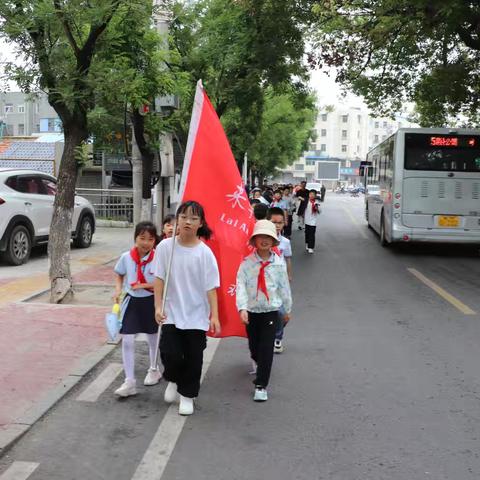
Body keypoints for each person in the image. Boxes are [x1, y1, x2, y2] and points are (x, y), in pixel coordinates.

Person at [153, 201, 221, 416]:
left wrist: (215, 316)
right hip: (171, 312)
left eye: (193, 218)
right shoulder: (165, 247)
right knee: (170, 353)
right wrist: (157, 306)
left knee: (193, 358)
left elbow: (211, 288)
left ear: (201, 223)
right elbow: (159, 279)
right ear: (177, 220)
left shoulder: (205, 253)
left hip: (196, 315)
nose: (187, 222)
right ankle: (172, 379)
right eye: (184, 217)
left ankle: (187, 395)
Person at [236, 220, 292, 402]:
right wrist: (242, 308)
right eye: (261, 237)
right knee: (255, 347)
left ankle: (261, 385)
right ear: (255, 240)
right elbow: (240, 287)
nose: (265, 240)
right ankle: (259, 362)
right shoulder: (246, 263)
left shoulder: (278, 263)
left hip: (271, 311)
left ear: (274, 241)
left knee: (267, 348)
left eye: (269, 237)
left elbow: (284, 287)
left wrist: (287, 309)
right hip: (252, 312)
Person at [113, 221, 162, 397]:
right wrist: (118, 289)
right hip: (132, 302)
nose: (145, 243)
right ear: (135, 238)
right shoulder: (126, 257)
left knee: (153, 340)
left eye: (150, 239)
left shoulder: (159, 258)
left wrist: (143, 284)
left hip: (151, 302)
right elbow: (119, 273)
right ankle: (129, 381)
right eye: (142, 238)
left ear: (155, 241)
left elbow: (161, 282)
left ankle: (154, 369)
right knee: (126, 339)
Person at [267, 207, 293, 354]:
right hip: (266, 282)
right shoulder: (262, 240)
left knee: (284, 313)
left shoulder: (285, 242)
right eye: (273, 222)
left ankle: (278, 335)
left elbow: (288, 259)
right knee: (271, 312)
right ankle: (271, 336)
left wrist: (289, 275)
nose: (277, 225)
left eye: (280, 223)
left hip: (281, 283)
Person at [304, 189, 322, 254]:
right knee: (307, 233)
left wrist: (317, 208)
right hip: (306, 220)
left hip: (313, 221)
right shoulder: (306, 201)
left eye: (313, 194)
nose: (311, 195)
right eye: (310, 194)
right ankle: (307, 243)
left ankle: (310, 247)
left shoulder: (316, 202)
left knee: (312, 234)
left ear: (315, 195)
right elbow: (301, 208)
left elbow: (320, 211)